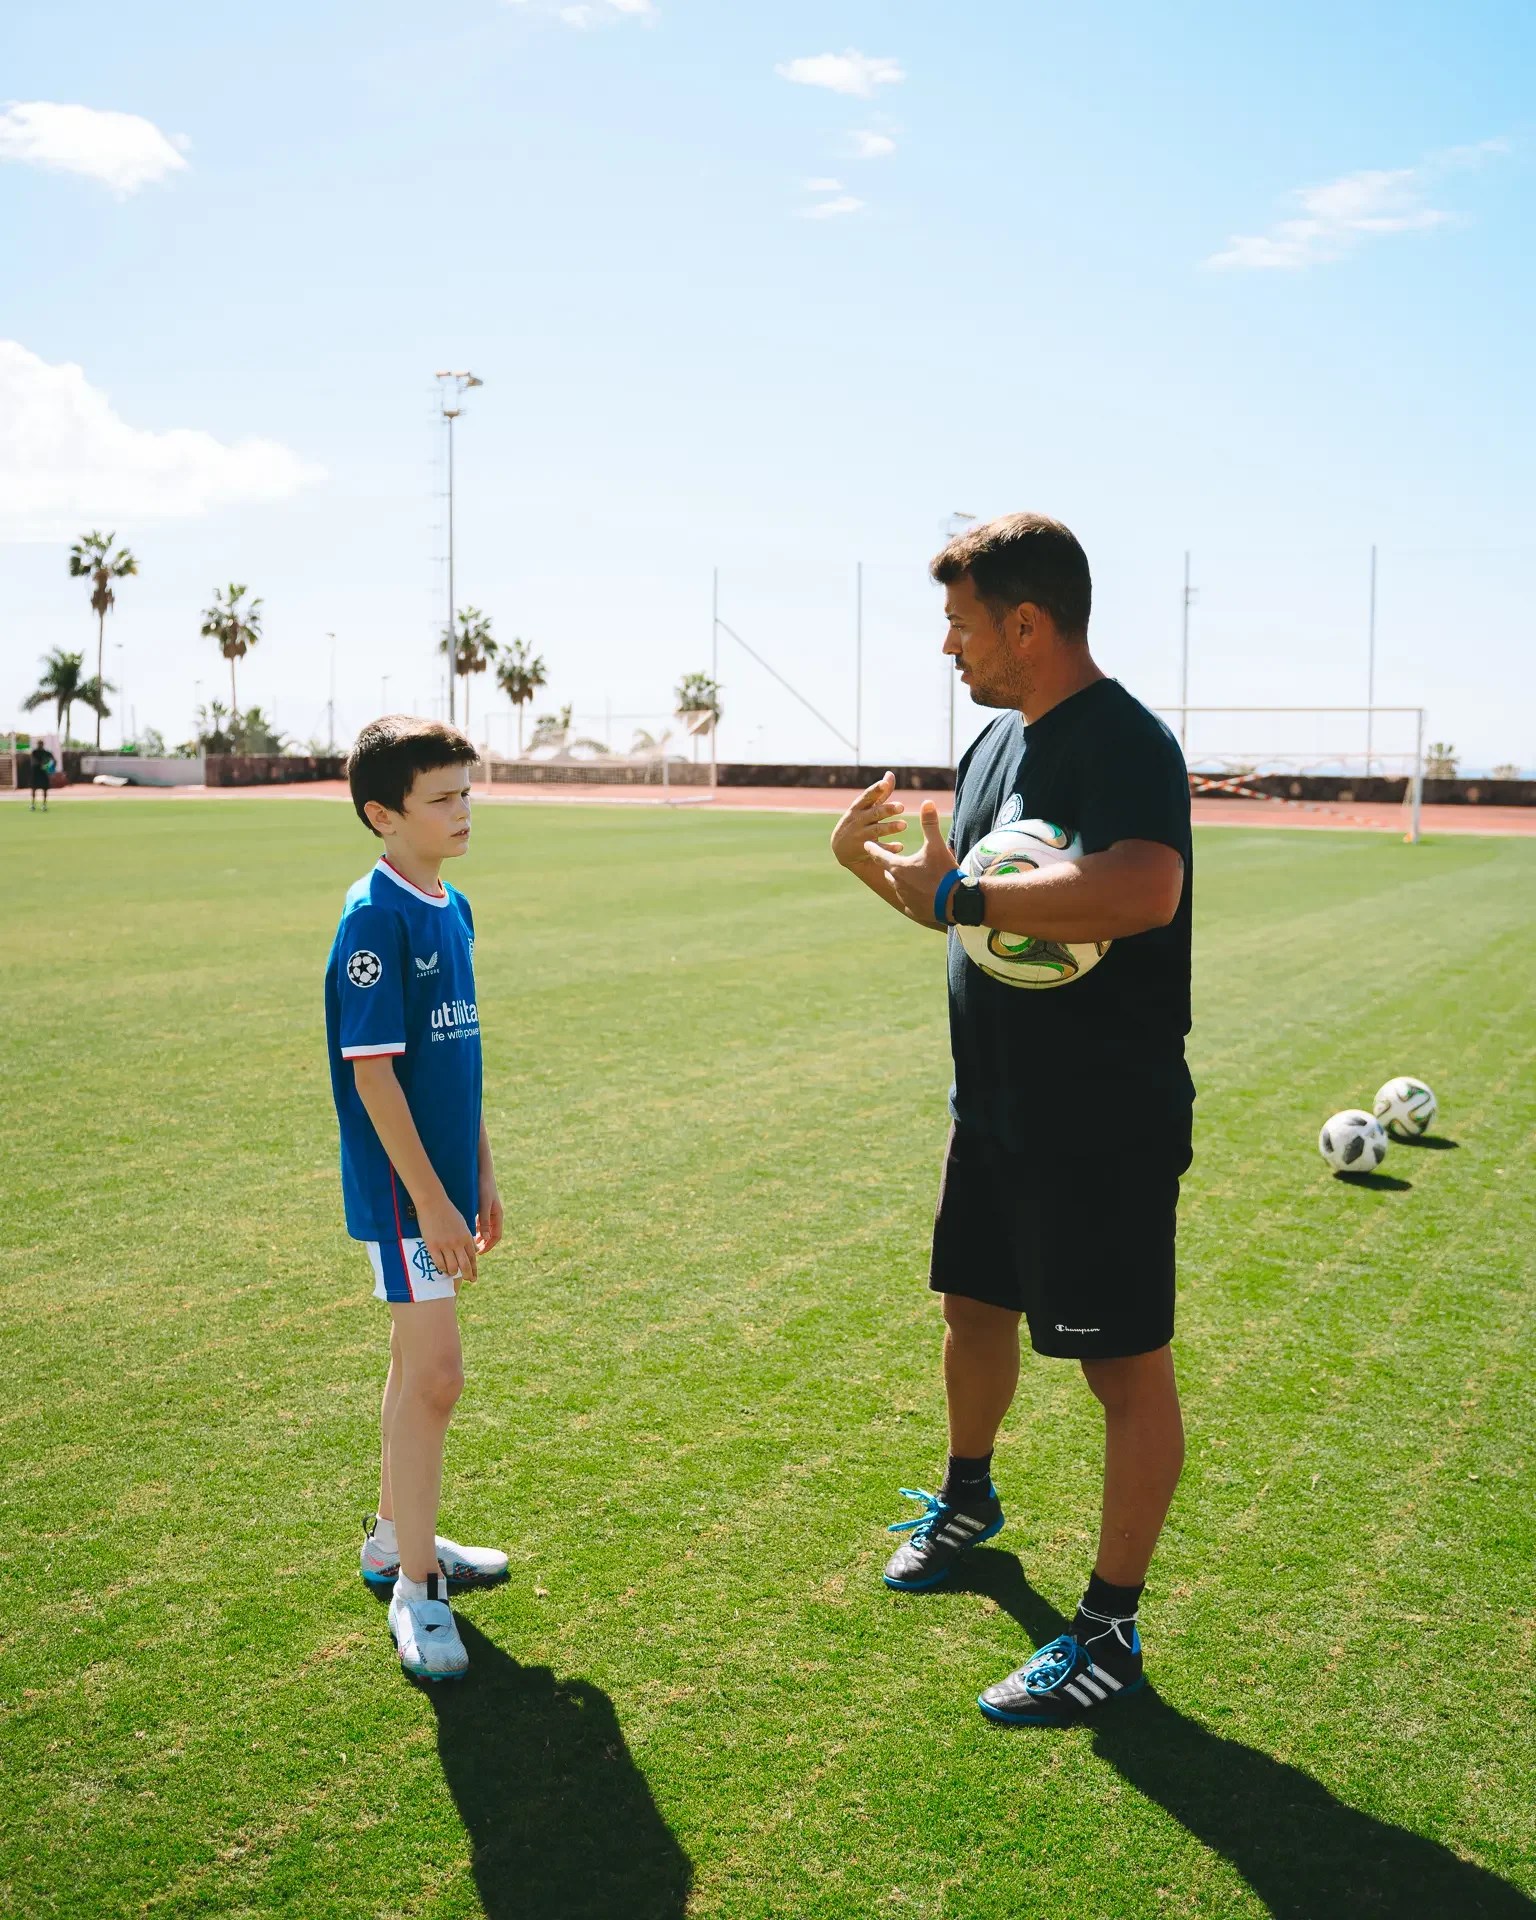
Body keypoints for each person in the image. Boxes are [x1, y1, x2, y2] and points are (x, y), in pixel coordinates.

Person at [830, 513, 1193, 1726]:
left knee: (1119, 1368)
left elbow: (1145, 886)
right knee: (970, 1307)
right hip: (992, 1107)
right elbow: (959, 913)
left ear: (1026, 623)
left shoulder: (1124, 742)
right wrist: (868, 869)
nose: (949, 644)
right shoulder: (994, 750)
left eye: (962, 621)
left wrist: (963, 887)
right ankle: (968, 1498)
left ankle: (1109, 1629)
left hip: (1101, 1123)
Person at [325, 716, 508, 1681]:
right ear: (383, 815)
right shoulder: (375, 916)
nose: (464, 809)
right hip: (402, 1197)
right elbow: (376, 1079)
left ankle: (397, 1539)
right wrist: (432, 1204)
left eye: (466, 792)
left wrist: (479, 1168)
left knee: (413, 1366)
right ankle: (417, 1588)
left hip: (440, 1182)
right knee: (438, 1377)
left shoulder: (453, 904)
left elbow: (457, 1059)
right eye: (442, 798)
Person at [29, 741, 56, 811]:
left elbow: (53, 761)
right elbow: (33, 761)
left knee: (45, 789)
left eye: (41, 744)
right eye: (39, 744)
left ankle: (44, 805)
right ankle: (32, 804)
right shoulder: (34, 752)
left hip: (44, 773)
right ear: (37, 744)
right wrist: (41, 764)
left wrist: (48, 767)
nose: (40, 745)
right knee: (34, 789)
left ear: (43, 744)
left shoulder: (47, 753)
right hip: (36, 773)